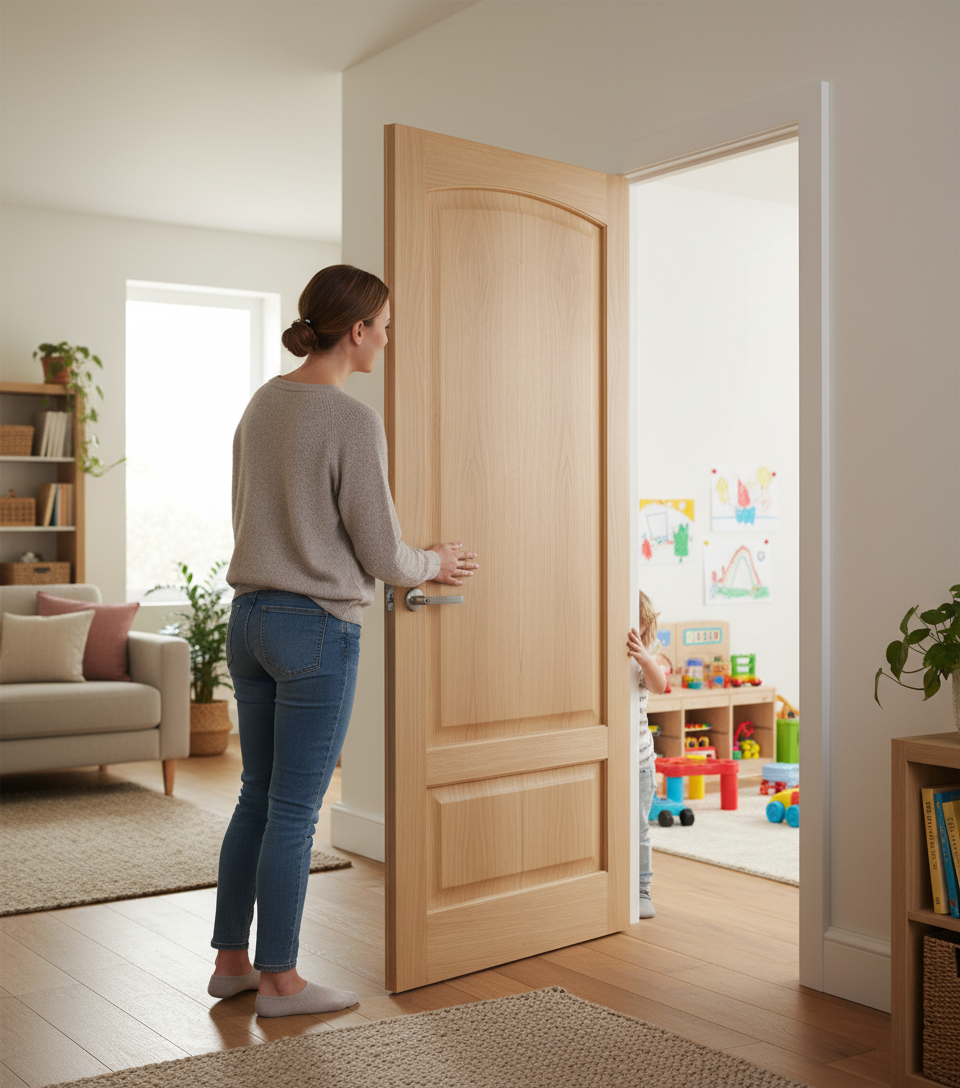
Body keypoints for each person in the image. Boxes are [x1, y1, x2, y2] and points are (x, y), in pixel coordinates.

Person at [207, 265, 479, 1017]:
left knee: (256, 797)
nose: (387, 341)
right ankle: (281, 982)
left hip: (249, 619)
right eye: (383, 328)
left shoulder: (263, 402)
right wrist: (434, 563)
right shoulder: (351, 419)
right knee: (296, 810)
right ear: (356, 330)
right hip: (315, 628)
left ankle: (232, 961)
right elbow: (384, 554)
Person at [626, 590, 667, 919]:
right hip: (615, 758)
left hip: (639, 763)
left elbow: (659, 685)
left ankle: (642, 890)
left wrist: (644, 658)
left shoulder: (643, 661)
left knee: (639, 828)